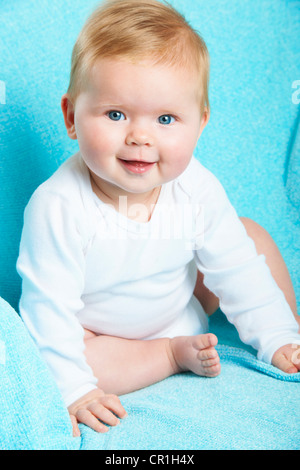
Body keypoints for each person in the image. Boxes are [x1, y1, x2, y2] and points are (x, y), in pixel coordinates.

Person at [17, 0, 300, 437]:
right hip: (105, 334)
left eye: (166, 119)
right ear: (72, 116)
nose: (140, 136)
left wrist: (277, 335)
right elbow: (49, 310)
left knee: (249, 238)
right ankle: (169, 355)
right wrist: (74, 389)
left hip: (181, 305)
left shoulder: (197, 187)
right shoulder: (57, 205)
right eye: (115, 114)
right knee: (63, 357)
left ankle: (288, 337)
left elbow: (236, 269)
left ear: (200, 124)